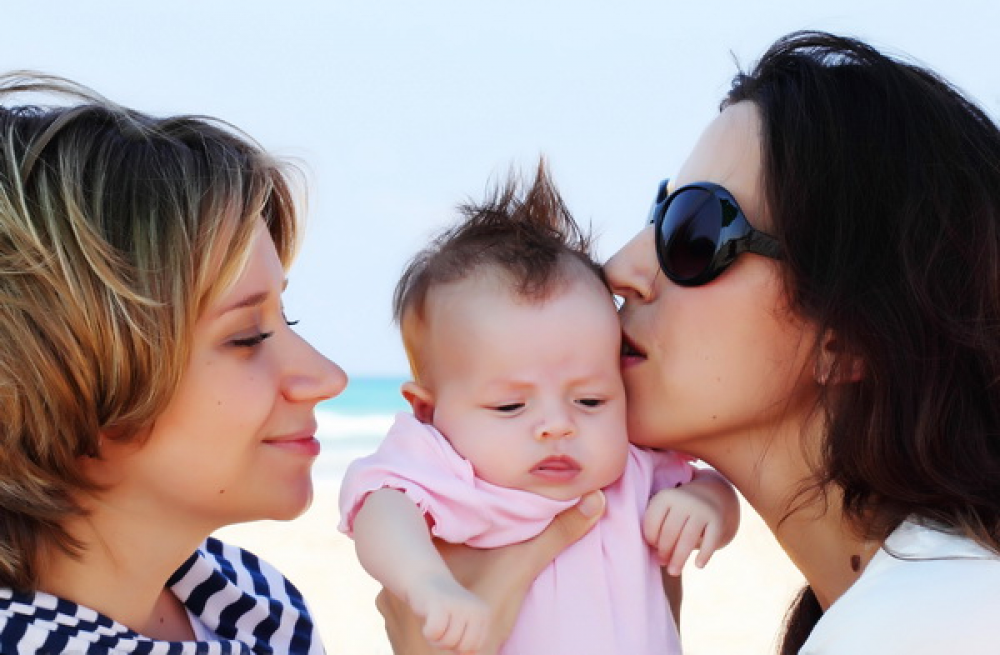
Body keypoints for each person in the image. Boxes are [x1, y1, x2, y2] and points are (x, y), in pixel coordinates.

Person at [377, 31, 1000, 655]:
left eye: (693, 231)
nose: (618, 268)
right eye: (657, 212)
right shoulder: (916, 605)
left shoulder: (927, 624)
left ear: (846, 339)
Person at [0, 72, 347, 654]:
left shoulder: (253, 603)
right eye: (246, 337)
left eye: (284, 320)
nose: (328, 378)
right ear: (62, 378)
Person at [338, 164, 739, 654]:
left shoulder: (631, 474)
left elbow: (708, 484)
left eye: (590, 400)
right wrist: (427, 582)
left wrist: (707, 504)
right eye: (510, 405)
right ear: (427, 413)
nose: (558, 426)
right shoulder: (454, 476)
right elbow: (378, 507)